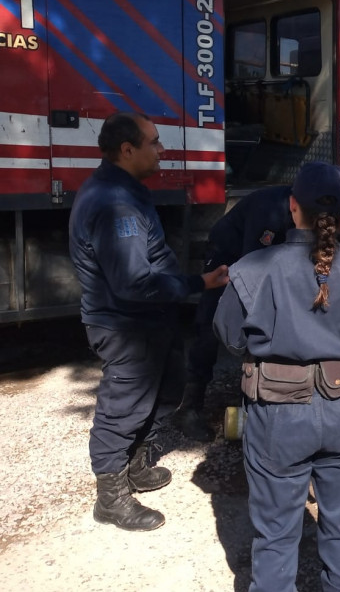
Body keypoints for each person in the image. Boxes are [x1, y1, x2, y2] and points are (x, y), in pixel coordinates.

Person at [213, 161, 340, 592]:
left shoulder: (252, 268)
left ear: (293, 206)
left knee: (275, 535)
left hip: (277, 409)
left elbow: (229, 335)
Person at [68, 112, 229, 532]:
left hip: (151, 321)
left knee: (167, 388)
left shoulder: (125, 190)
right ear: (127, 150)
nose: (162, 150)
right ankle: (111, 497)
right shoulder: (115, 203)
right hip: (126, 327)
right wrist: (198, 282)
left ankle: (136, 463)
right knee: (123, 408)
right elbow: (133, 283)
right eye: (154, 143)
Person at [173, 185, 293, 441]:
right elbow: (254, 269)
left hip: (261, 257)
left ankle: (254, 402)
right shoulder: (269, 210)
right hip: (229, 254)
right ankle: (190, 406)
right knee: (211, 324)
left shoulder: (311, 207)